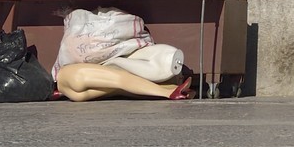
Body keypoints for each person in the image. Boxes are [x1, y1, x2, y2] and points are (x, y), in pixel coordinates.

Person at [54, 62, 193, 102]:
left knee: (119, 86)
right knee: (120, 80)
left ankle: (171, 89)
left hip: (65, 85)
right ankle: (169, 91)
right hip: (71, 78)